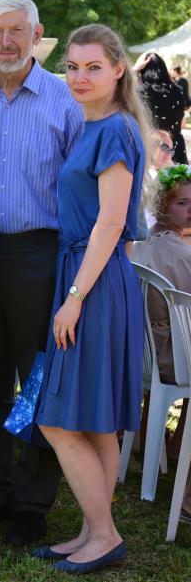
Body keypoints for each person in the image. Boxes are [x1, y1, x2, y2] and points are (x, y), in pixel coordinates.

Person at [0, 0, 84, 545]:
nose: (6, 41)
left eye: (16, 31)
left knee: (38, 380)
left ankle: (33, 502)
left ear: (37, 34)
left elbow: (80, 189)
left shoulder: (64, 100)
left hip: (38, 251)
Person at [32, 23, 150, 574]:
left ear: (118, 69)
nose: (79, 77)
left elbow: (109, 223)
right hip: (82, 275)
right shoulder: (90, 126)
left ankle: (104, 535)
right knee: (96, 419)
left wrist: (75, 296)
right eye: (72, 68)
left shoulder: (115, 132)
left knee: (57, 418)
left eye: (93, 67)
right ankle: (92, 530)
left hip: (95, 281)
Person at [132, 164, 191, 517]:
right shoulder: (182, 255)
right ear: (162, 207)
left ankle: (169, 448)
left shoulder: (141, 248)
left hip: (147, 355)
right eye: (183, 203)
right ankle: (177, 453)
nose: (190, 210)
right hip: (173, 358)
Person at [135, 52, 187, 164]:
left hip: (153, 153)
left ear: (143, 70)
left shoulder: (142, 92)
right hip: (177, 150)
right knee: (181, 180)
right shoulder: (178, 91)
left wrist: (134, 70)